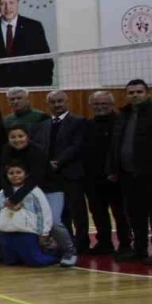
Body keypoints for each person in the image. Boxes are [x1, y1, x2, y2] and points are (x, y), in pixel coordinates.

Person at [109, 79, 152, 265]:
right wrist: (114, 169)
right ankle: (139, 249)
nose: (135, 95)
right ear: (126, 95)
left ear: (148, 93)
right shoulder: (123, 115)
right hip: (127, 174)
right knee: (134, 213)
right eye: (131, 92)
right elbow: (115, 145)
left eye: (139, 92)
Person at [0, 125, 78, 267]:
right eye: (13, 137)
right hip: (23, 190)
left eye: (21, 136)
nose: (17, 140)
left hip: (49, 190)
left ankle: (69, 251)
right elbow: (3, 176)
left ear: (28, 137)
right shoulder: (6, 151)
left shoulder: (38, 151)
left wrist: (15, 199)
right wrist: (10, 198)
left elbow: (35, 178)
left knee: (54, 222)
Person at [34, 91, 87, 253]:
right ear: (47, 104)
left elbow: (77, 145)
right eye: (53, 102)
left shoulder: (78, 121)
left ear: (67, 102)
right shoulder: (43, 125)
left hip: (72, 174)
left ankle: (82, 244)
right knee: (60, 214)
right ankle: (65, 243)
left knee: (77, 211)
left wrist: (58, 161)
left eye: (60, 101)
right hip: (51, 177)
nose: (57, 105)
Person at [81, 91, 129, 255]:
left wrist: (116, 171)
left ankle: (125, 245)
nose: (100, 107)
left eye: (104, 104)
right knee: (98, 213)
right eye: (96, 104)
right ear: (91, 105)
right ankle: (104, 243)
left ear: (111, 104)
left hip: (116, 178)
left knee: (120, 213)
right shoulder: (88, 125)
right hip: (93, 178)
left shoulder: (121, 123)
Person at [0, 162, 60, 267]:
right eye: (11, 173)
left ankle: (54, 253)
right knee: (10, 262)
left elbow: (44, 213)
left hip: (26, 233)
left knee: (35, 262)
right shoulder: (2, 193)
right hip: (6, 233)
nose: (15, 175)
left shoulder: (35, 192)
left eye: (18, 172)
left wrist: (43, 233)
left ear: (26, 174)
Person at [0, 0, 52, 89]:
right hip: (2, 90)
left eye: (11, 3)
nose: (7, 7)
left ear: (17, 3)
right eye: (2, 3)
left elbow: (46, 61)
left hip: (29, 88)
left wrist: (42, 88)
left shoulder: (34, 27)